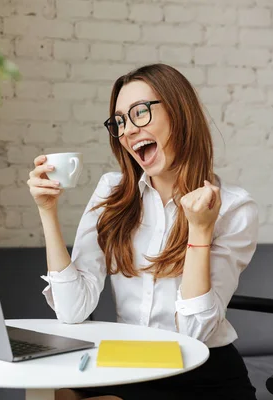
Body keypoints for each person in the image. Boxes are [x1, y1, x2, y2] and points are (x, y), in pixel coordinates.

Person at [26, 63, 259, 400]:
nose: (128, 131)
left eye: (139, 113)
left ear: (180, 114)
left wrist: (199, 230)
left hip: (200, 372)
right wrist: (47, 211)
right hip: (130, 361)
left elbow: (194, 333)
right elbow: (72, 309)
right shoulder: (113, 191)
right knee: (52, 395)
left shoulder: (234, 207)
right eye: (119, 122)